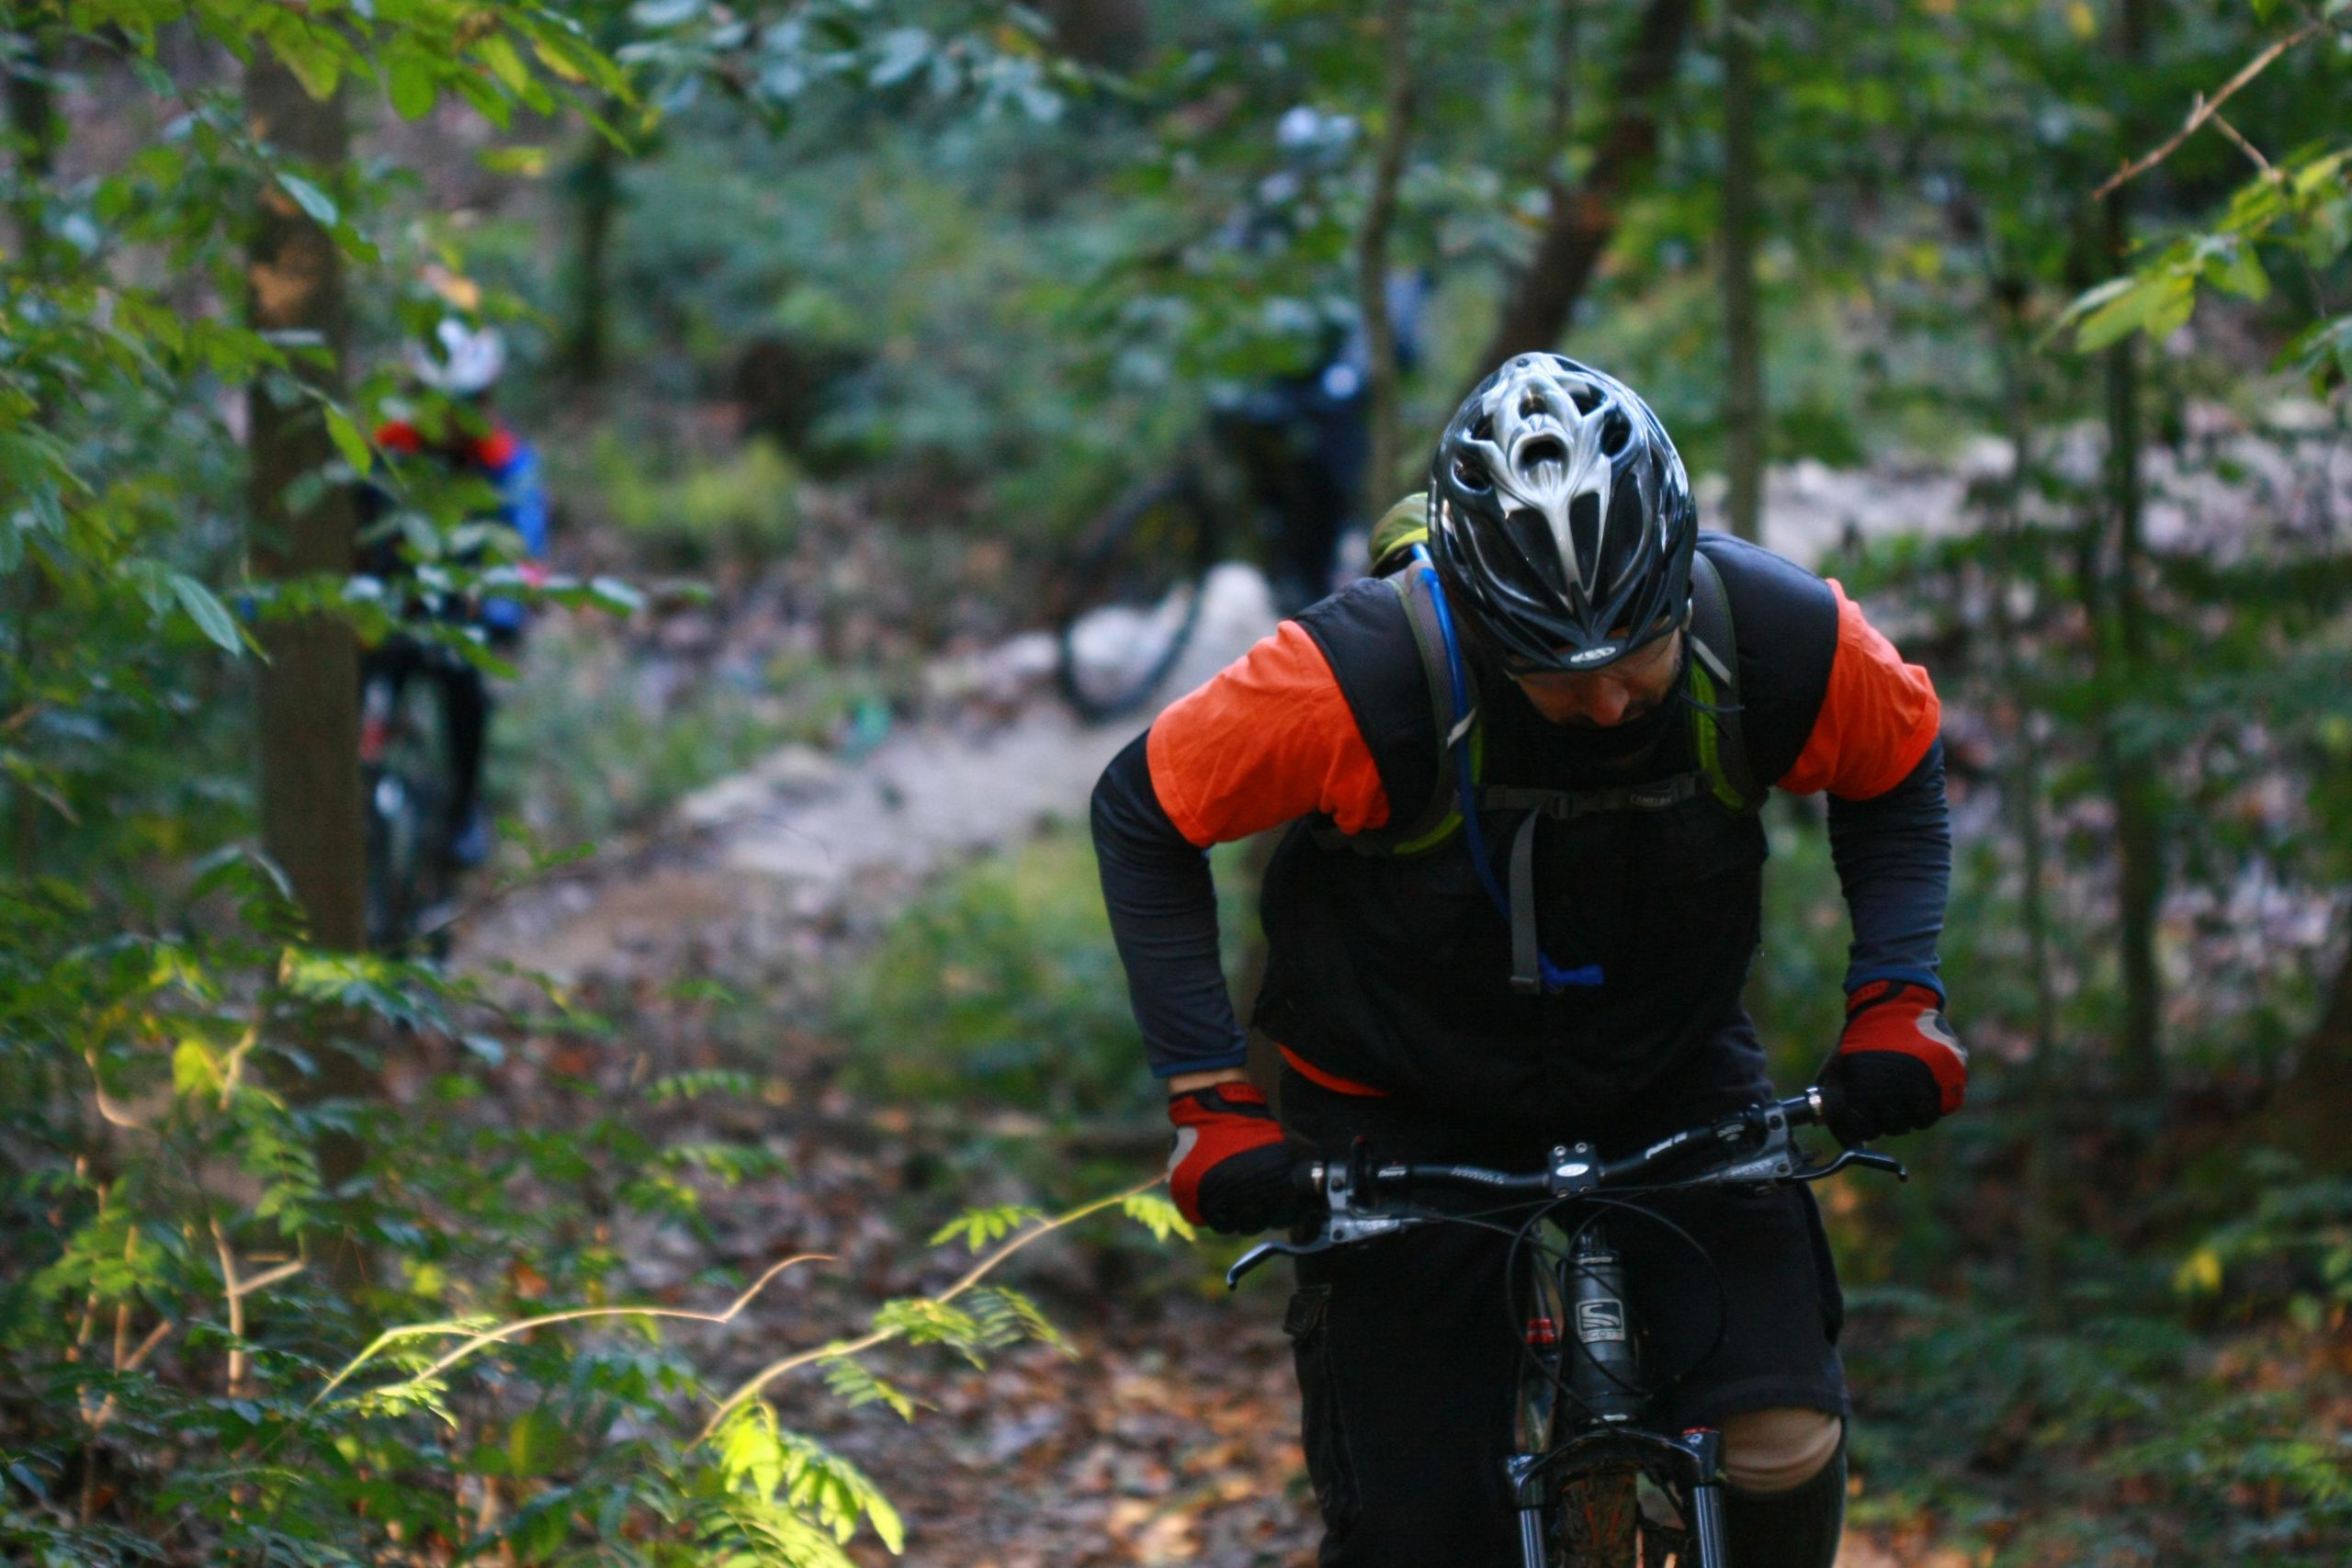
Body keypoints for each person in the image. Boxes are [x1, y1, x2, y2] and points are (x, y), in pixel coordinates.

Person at [1091, 354, 1962, 1567]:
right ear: (1490, 632)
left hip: (1671, 1066)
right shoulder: (1363, 675)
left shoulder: (1772, 633)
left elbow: (1898, 760)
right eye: (1562, 673)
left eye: (1638, 657)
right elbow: (1144, 808)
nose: (1610, 701)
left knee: (1782, 1438)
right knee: (1420, 1534)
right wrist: (1208, 1098)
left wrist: (1898, 999)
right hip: (1393, 1097)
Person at [359, 319, 548, 869]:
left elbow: (524, 532)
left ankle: (466, 812)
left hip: (461, 603)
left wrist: (505, 606)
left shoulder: (502, 457)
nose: (449, 415)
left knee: (465, 691)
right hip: (388, 597)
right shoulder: (389, 445)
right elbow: (347, 517)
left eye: (464, 401)